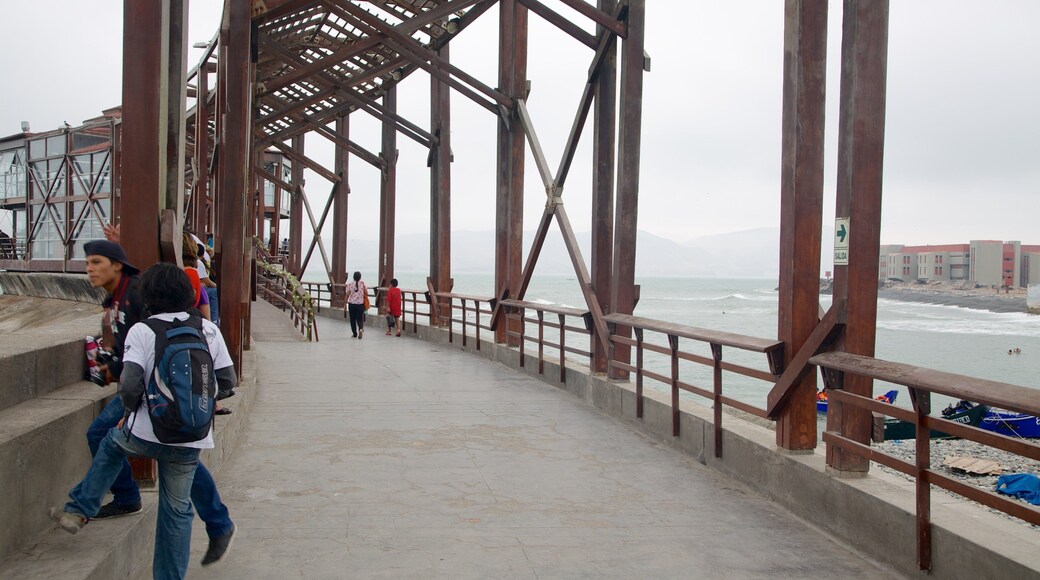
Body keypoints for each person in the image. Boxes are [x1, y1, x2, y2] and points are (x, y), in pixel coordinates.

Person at [50, 263, 238, 579]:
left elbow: (129, 385)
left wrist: (129, 413)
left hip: (146, 433)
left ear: (148, 296)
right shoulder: (208, 329)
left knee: (110, 444)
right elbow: (228, 381)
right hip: (191, 438)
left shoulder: (143, 329)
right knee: (176, 513)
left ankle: (80, 509)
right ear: (189, 294)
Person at [346, 271, 367, 339]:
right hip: (360, 304)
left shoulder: (350, 284)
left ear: (353, 277)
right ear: (360, 277)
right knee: (359, 319)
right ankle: (360, 329)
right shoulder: (362, 283)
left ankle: (354, 334)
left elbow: (347, 294)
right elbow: (366, 292)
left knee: (352, 319)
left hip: (352, 304)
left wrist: (344, 303)